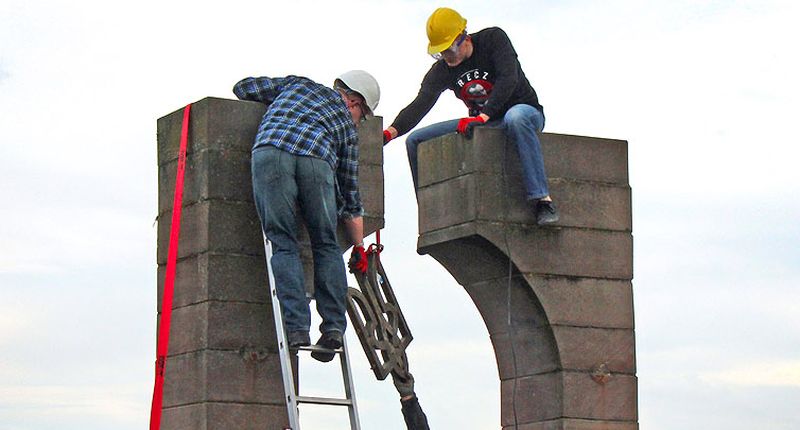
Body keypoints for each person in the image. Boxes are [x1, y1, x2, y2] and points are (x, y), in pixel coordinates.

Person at [233, 71, 380, 362]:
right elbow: (351, 195)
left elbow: (244, 87)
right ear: (354, 101)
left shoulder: (297, 84)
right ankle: (334, 329)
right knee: (326, 244)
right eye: (362, 116)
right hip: (317, 163)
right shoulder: (347, 131)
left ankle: (297, 329)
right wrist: (359, 246)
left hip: (271, 152)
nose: (358, 123)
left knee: (283, 243)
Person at [383, 7, 559, 225]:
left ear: (463, 37)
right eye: (441, 53)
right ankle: (430, 212)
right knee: (415, 141)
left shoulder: (493, 39)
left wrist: (483, 116)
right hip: (483, 123)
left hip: (524, 113)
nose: (447, 57)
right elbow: (421, 103)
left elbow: (508, 78)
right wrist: (390, 133)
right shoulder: (442, 70)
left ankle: (542, 200)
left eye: (449, 50)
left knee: (515, 117)